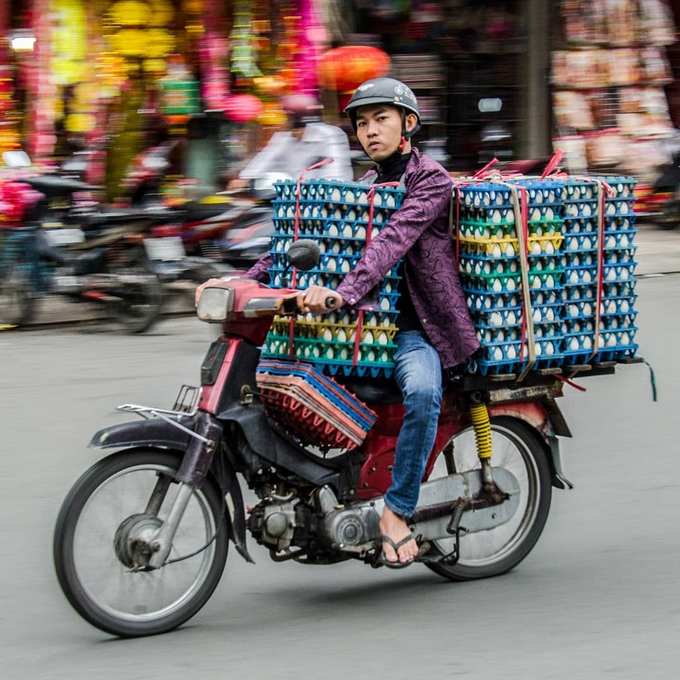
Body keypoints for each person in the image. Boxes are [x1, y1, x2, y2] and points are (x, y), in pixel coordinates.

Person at [246, 78, 479, 566]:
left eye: (382, 119)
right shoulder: (366, 188)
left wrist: (345, 292)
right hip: (364, 331)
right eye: (363, 123)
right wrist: (246, 280)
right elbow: (310, 242)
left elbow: (391, 242)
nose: (370, 131)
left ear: (408, 124)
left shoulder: (430, 180)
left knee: (422, 391)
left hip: (416, 330)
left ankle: (397, 510)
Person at [230, 94, 353, 188]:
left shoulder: (329, 136)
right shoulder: (284, 138)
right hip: (294, 200)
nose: (284, 125)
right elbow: (265, 158)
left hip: (327, 200)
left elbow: (336, 172)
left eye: (287, 120)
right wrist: (244, 178)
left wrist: (327, 189)